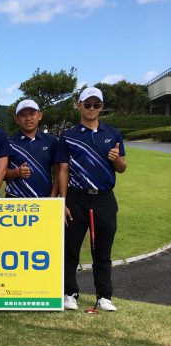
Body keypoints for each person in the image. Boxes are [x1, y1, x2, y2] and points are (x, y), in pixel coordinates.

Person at [57, 87, 127, 312]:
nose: (91, 108)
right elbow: (63, 170)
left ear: (102, 107)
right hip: (77, 197)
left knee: (103, 250)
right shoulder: (68, 135)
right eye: (87, 104)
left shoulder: (112, 133)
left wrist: (116, 160)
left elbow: (122, 167)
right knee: (70, 248)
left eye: (96, 105)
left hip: (104, 198)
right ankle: (69, 293)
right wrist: (63, 201)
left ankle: (104, 296)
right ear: (79, 105)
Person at [4, 99, 59, 198]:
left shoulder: (51, 141)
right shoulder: (8, 143)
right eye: (23, 115)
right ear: (17, 119)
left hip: (44, 199)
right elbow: (1, 173)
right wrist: (17, 172)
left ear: (40, 115)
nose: (28, 118)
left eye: (32, 114)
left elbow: (58, 172)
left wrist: (53, 197)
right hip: (15, 199)